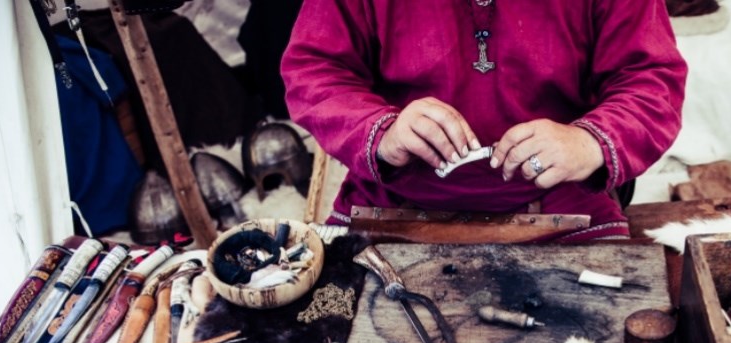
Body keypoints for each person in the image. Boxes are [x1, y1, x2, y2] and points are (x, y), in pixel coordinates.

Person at [281, 0, 687, 241]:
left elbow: (651, 79)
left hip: (560, 206)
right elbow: (315, 71)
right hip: (394, 205)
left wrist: (588, 142)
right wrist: (383, 131)